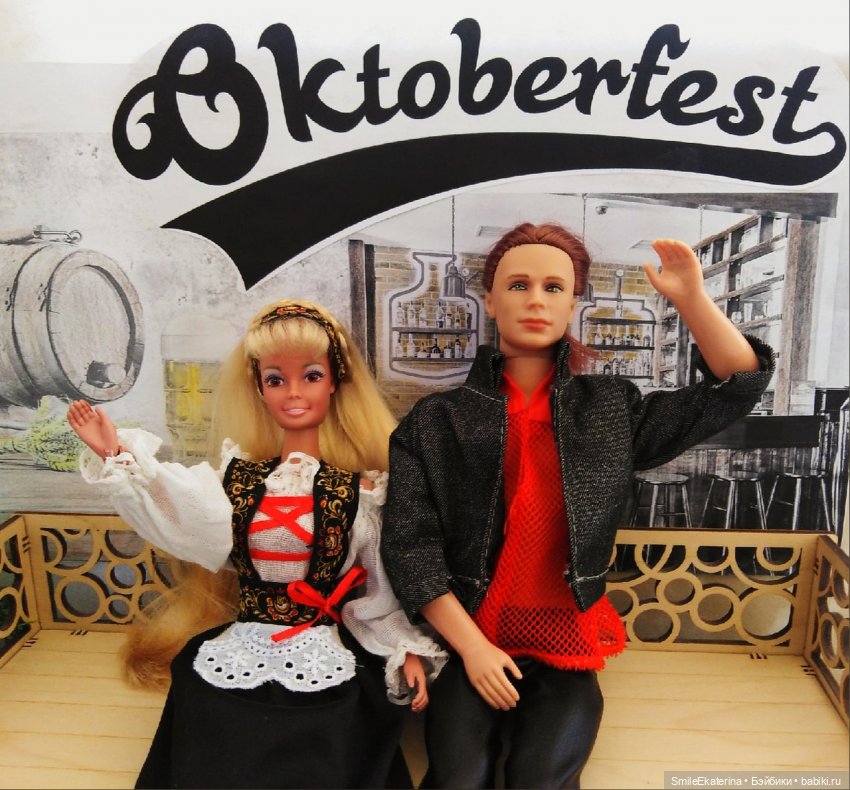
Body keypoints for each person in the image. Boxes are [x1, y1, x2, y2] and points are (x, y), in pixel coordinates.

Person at [381, 223, 775, 789]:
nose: (536, 301)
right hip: (471, 634)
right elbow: (410, 548)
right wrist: (472, 648)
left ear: (573, 304)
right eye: (518, 285)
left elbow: (738, 386)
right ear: (489, 300)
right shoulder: (438, 420)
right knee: (459, 778)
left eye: (554, 288)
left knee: (544, 778)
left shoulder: (610, 410)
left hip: (566, 641)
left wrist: (691, 298)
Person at [67, 299, 447, 790]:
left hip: (320, 642)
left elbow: (377, 592)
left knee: (334, 713)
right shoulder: (236, 481)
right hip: (244, 638)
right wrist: (117, 455)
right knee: (205, 693)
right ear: (259, 388)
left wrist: (404, 648)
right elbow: (178, 509)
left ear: (335, 382)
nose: (294, 393)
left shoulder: (360, 494)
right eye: (275, 379)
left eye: (311, 376)